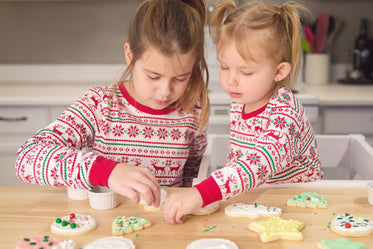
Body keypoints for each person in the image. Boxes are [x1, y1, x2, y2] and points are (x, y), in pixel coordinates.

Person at [15, 0, 209, 208]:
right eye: (153, 76)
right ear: (130, 55)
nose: (165, 91)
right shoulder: (100, 105)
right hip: (106, 231)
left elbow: (191, 178)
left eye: (180, 79)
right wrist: (106, 171)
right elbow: (27, 158)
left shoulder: (193, 112)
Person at [163, 0, 324, 224]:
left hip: (300, 209)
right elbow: (239, 158)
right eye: (225, 66)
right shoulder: (241, 103)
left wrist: (202, 193)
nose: (231, 81)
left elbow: (259, 162)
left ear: (279, 71)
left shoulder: (285, 114)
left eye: (246, 72)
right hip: (261, 203)